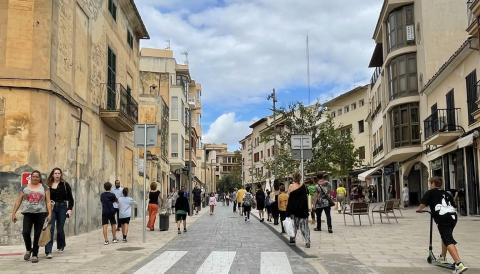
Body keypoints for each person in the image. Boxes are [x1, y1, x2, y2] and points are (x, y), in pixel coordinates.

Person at [416, 177, 468, 274]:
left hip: (443, 217)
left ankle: (459, 264)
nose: (429, 185)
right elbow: (453, 205)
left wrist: (419, 209)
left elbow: (422, 205)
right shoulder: (446, 193)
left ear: (432, 183)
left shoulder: (430, 192)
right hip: (453, 217)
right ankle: (442, 257)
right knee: (445, 236)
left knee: (447, 239)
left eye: (429, 183)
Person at [11, 170, 52, 263]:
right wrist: (13, 213)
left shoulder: (45, 187)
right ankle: (29, 249)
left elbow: (48, 201)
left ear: (39, 178)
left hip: (41, 214)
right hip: (28, 213)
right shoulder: (24, 187)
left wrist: (50, 214)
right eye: (33, 176)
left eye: (37, 176)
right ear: (31, 177)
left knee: (37, 235)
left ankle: (35, 255)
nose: (35, 178)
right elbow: (18, 201)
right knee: (25, 232)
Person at [44, 168, 74, 258]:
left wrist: (69, 209)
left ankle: (61, 244)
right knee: (51, 228)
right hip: (52, 208)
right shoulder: (48, 185)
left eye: (59, 173)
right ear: (52, 175)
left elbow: (71, 199)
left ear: (61, 175)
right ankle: (48, 251)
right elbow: (45, 198)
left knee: (60, 228)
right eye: (55, 173)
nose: (57, 175)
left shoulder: (65, 184)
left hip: (62, 207)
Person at [287, 172, 311, 248]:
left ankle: (292, 239)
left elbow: (289, 198)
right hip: (303, 210)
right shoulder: (303, 186)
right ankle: (307, 241)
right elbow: (306, 198)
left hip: (294, 209)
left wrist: (288, 209)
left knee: (294, 225)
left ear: (293, 178)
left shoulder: (291, 186)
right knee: (304, 226)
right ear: (300, 178)